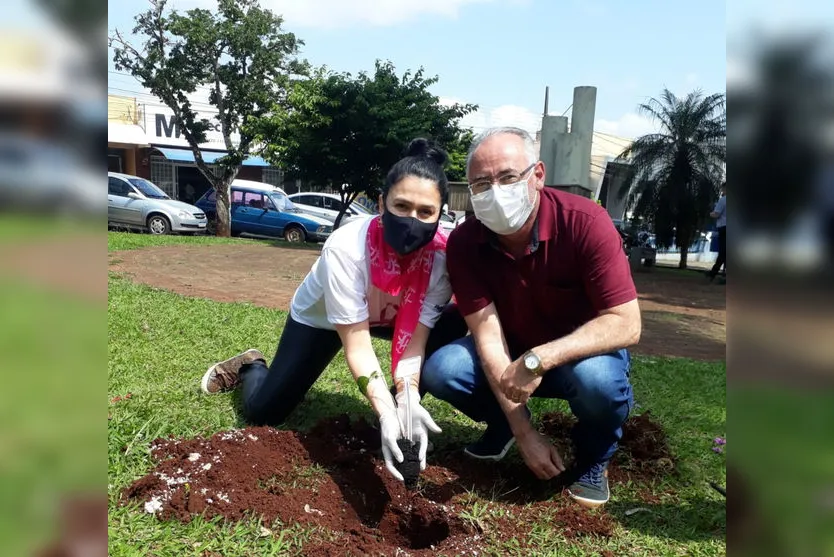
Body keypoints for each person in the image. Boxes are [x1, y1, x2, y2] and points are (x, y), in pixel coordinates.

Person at [200, 139, 468, 482]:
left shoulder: (441, 260)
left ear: (440, 213)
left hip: (392, 319)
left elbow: (416, 340)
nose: (413, 220)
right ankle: (251, 365)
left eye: (425, 212)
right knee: (264, 412)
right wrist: (383, 408)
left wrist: (408, 394)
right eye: (402, 206)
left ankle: (405, 417)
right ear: (382, 203)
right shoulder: (347, 248)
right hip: (324, 320)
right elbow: (357, 345)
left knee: (450, 324)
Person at [421, 127, 641, 509]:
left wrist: (540, 358)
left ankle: (595, 454)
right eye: (481, 184)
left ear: (537, 175)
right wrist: (525, 433)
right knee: (445, 369)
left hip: (580, 356)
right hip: (511, 352)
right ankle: (506, 427)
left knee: (599, 382)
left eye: (507, 177)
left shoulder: (585, 223)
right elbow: (488, 337)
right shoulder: (465, 243)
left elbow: (626, 322)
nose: (495, 192)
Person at [707, 183, 727, 282]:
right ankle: (716, 273)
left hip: (724, 227)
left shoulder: (723, 200)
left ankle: (713, 273)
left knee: (723, 252)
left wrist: (710, 213)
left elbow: (717, 214)